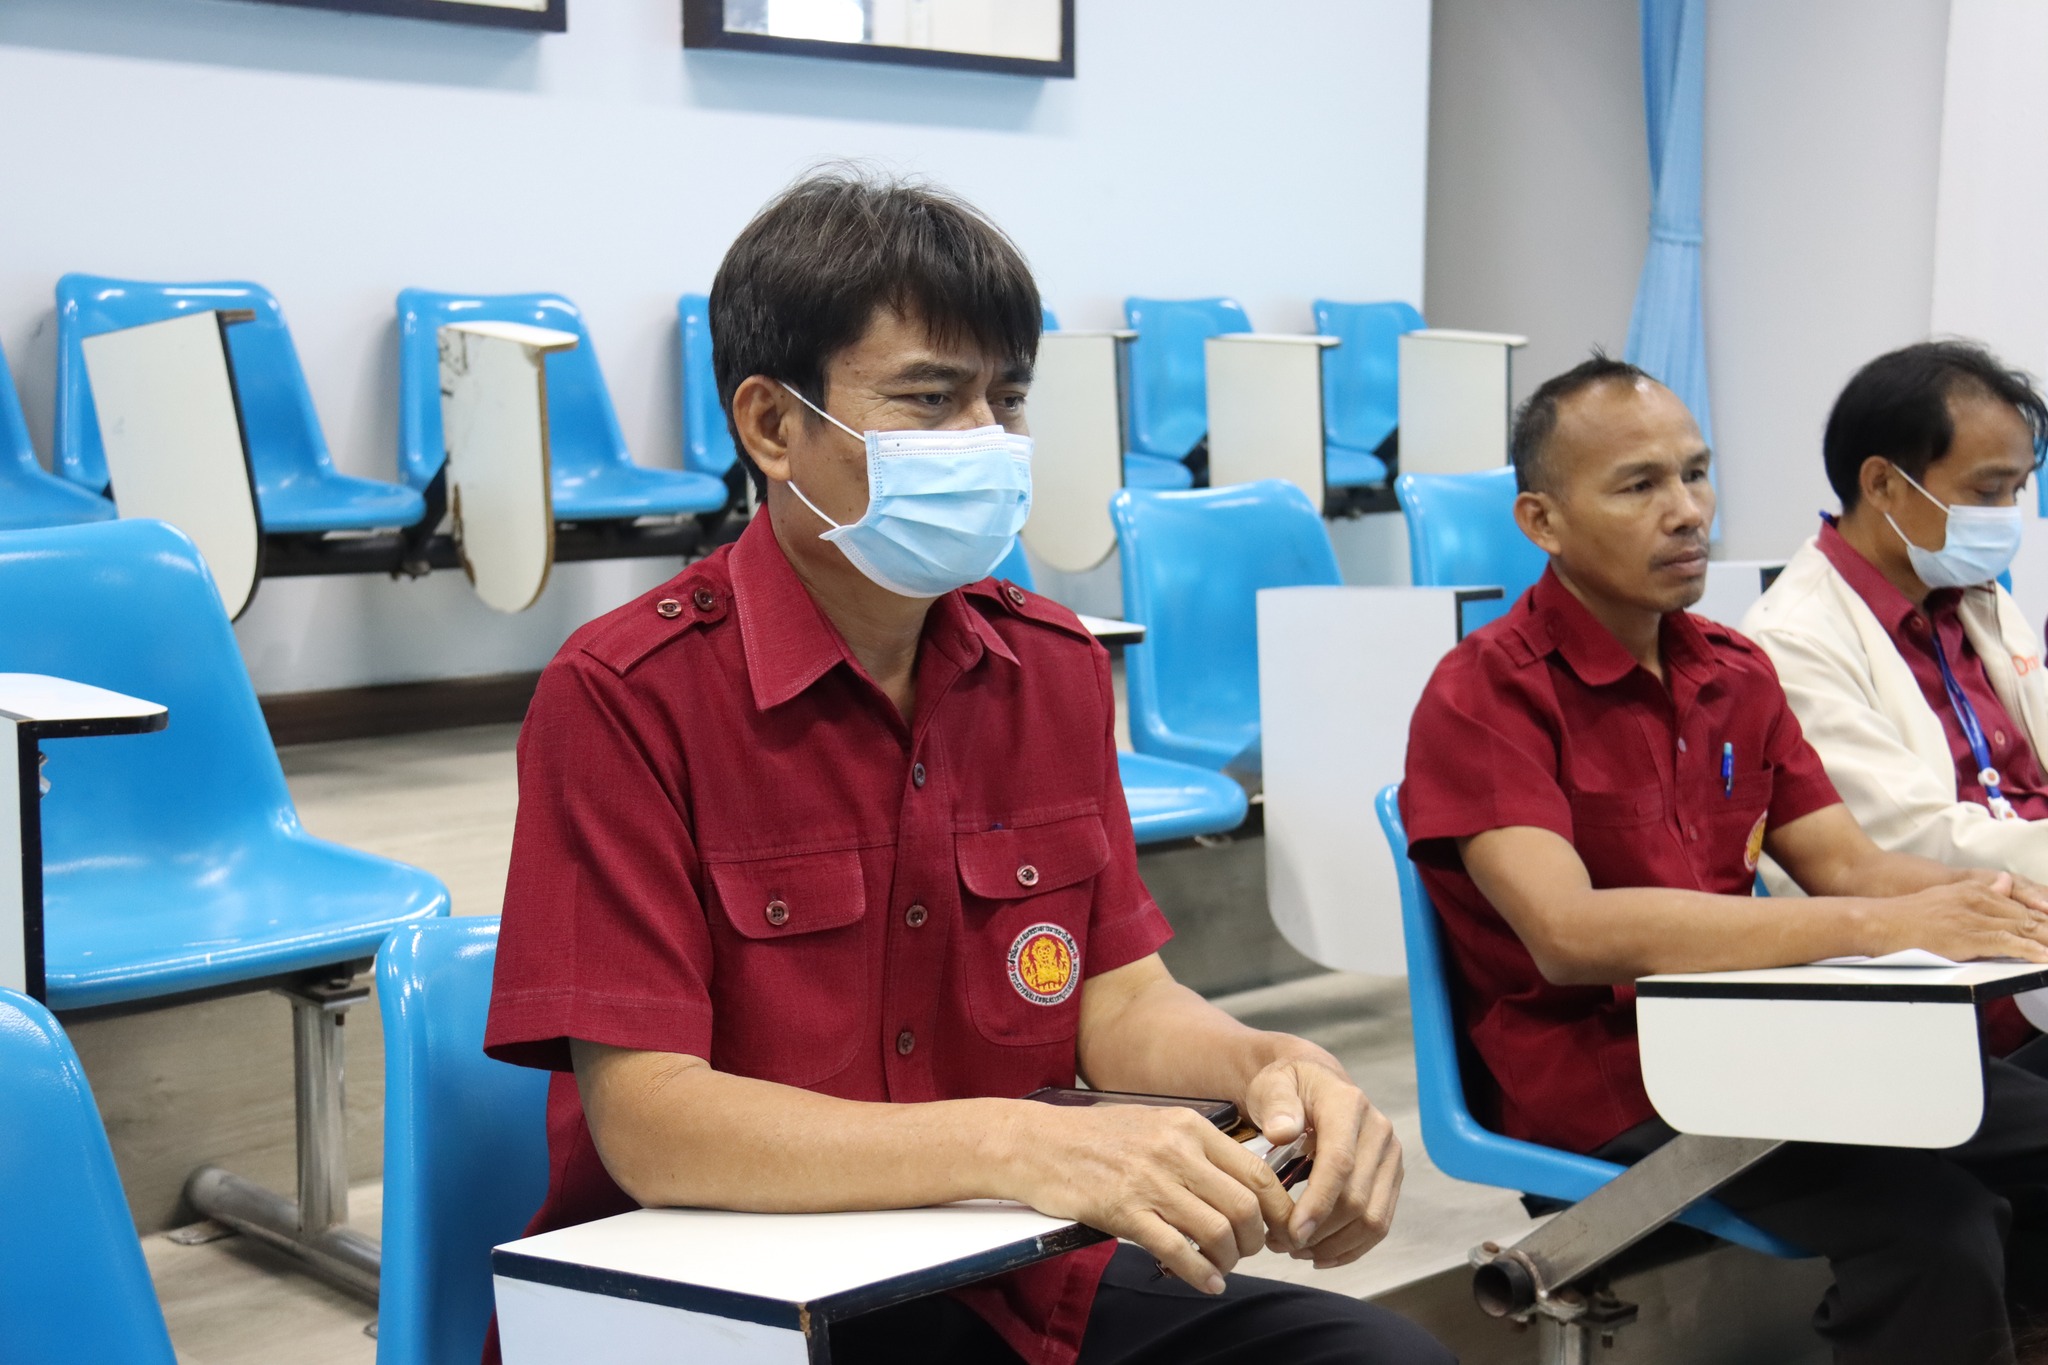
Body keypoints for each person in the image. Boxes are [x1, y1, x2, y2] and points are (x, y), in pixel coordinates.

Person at [482, 170, 1449, 1365]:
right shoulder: (627, 695)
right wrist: (1015, 1144)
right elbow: (651, 1122)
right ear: (772, 426)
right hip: (729, 1300)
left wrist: (1274, 1068)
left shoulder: (1048, 667)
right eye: (929, 399)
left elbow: (1117, 1002)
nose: (984, 442)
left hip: (1001, 1273)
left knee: (1380, 1360)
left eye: (1006, 399)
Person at [1401, 353, 2048, 1364]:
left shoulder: (1732, 670)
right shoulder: (1483, 693)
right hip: (1614, 1083)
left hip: (1764, 1041)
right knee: (1935, 1228)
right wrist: (1883, 925)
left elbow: (1851, 867)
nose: (1687, 511)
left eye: (1695, 473)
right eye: (1638, 485)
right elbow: (1569, 933)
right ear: (1541, 521)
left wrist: (2003, 901)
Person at [1741, 342, 2048, 1056]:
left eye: (2017, 490)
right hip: (1952, 997)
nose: (2006, 515)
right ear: (1882, 483)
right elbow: (1909, 845)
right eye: (1987, 491)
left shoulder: (1973, 596)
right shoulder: (1791, 639)